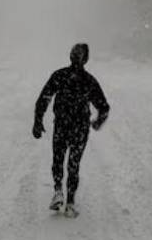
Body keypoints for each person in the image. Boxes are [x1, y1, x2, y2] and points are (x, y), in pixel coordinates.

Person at [33, 42, 110, 218]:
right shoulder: (89, 81)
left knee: (58, 160)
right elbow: (104, 107)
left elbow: (44, 98)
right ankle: (70, 203)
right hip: (80, 128)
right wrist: (97, 122)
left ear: (71, 57)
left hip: (62, 125)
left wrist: (38, 121)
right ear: (86, 60)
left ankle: (58, 191)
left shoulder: (60, 75)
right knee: (73, 165)